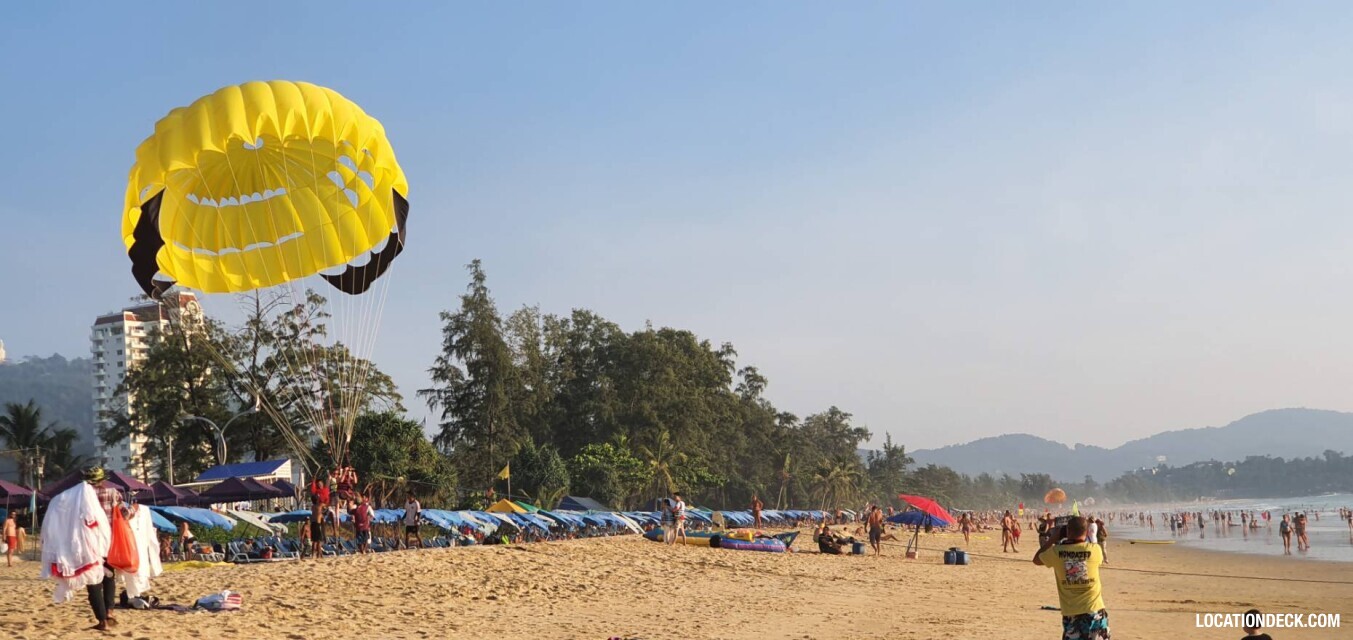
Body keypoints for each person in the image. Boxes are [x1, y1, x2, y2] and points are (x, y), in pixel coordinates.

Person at [1034, 516, 1110, 640]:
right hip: (1095, 610)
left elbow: (1036, 559)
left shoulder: (1056, 552)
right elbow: (1090, 546)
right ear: (1086, 532)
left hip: (1071, 613)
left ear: (1067, 531)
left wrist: (1052, 540)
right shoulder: (1095, 550)